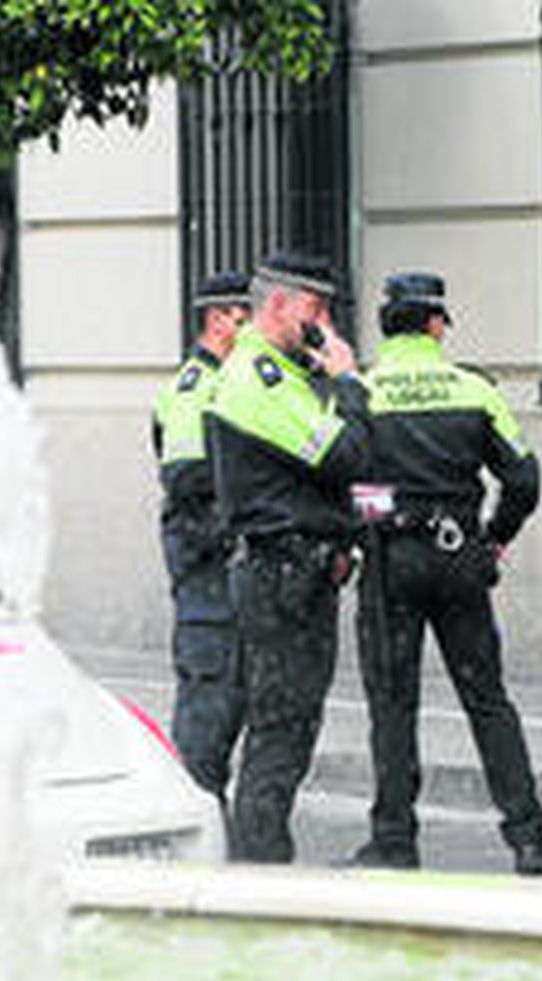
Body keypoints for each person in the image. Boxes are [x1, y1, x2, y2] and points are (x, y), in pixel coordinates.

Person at [348, 272, 542, 876]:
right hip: (459, 554)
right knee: (487, 700)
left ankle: (394, 840)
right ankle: (528, 839)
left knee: (393, 704)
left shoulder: (361, 392)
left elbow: (342, 479)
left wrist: (372, 522)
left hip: (390, 561)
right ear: (436, 326)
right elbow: (524, 480)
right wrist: (493, 540)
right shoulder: (473, 389)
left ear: (387, 325)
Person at [205, 251, 370, 863]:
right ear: (277, 304)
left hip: (290, 571)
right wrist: (348, 382)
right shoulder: (261, 378)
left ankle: (258, 858)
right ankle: (260, 869)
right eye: (315, 309)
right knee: (281, 731)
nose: (324, 324)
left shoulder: (283, 372)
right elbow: (347, 456)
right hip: (283, 575)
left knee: (285, 727)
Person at [151, 271, 251, 808]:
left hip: (219, 561)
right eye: (244, 317)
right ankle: (195, 814)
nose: (254, 327)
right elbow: (187, 480)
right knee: (209, 697)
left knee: (230, 695)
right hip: (207, 565)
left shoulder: (225, 382)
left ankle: (210, 809)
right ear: (217, 320)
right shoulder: (196, 386)